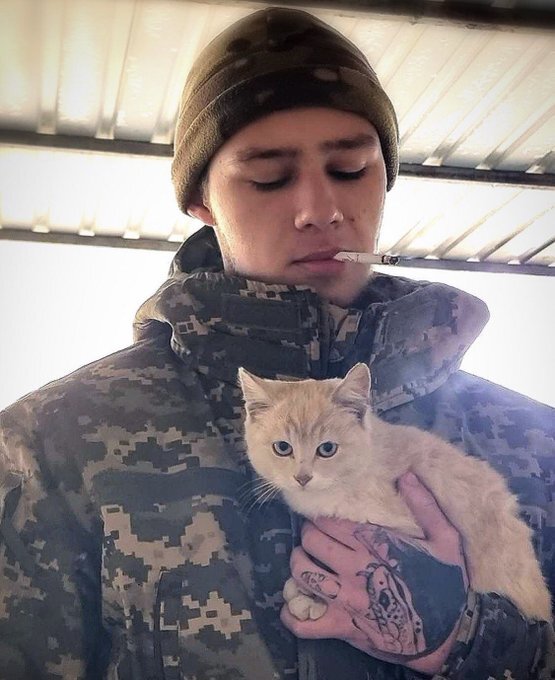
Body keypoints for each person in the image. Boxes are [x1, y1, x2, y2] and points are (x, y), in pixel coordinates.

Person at [0, 6, 553, 679]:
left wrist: (472, 643)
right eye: (268, 176)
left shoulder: (530, 444)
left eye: (349, 168)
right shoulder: (54, 443)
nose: (318, 209)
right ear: (202, 199)